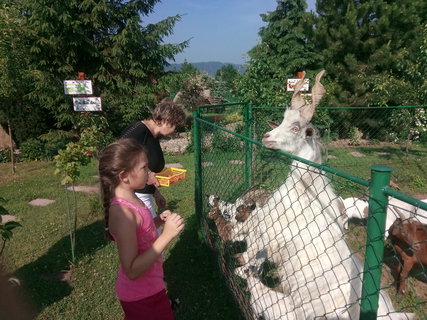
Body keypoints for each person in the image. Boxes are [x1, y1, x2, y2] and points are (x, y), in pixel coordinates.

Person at [98, 138, 185, 320]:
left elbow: (140, 233)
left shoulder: (134, 199)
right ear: (124, 176)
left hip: (151, 288)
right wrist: (166, 236)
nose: (150, 172)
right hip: (141, 297)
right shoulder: (123, 213)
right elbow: (131, 269)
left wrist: (157, 222)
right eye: (144, 168)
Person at [120, 99, 187, 222]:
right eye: (175, 126)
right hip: (135, 194)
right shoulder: (138, 130)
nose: (175, 130)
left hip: (145, 193)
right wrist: (148, 175)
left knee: (148, 236)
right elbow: (118, 157)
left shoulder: (153, 135)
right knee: (151, 237)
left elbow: (144, 164)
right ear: (167, 121)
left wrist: (155, 193)